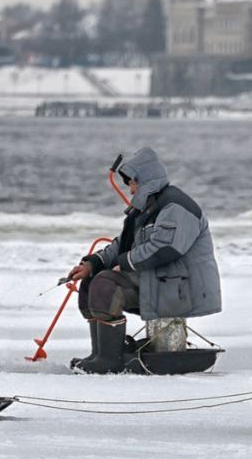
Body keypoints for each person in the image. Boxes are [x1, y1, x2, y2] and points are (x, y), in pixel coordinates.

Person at [66, 147, 221, 374]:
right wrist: (91, 264)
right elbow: (122, 244)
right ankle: (101, 355)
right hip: (160, 282)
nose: (130, 190)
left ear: (145, 181)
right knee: (92, 282)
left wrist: (124, 263)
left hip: (181, 289)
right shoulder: (146, 209)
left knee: (106, 285)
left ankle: (109, 361)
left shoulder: (175, 207)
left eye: (132, 184)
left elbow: (165, 249)